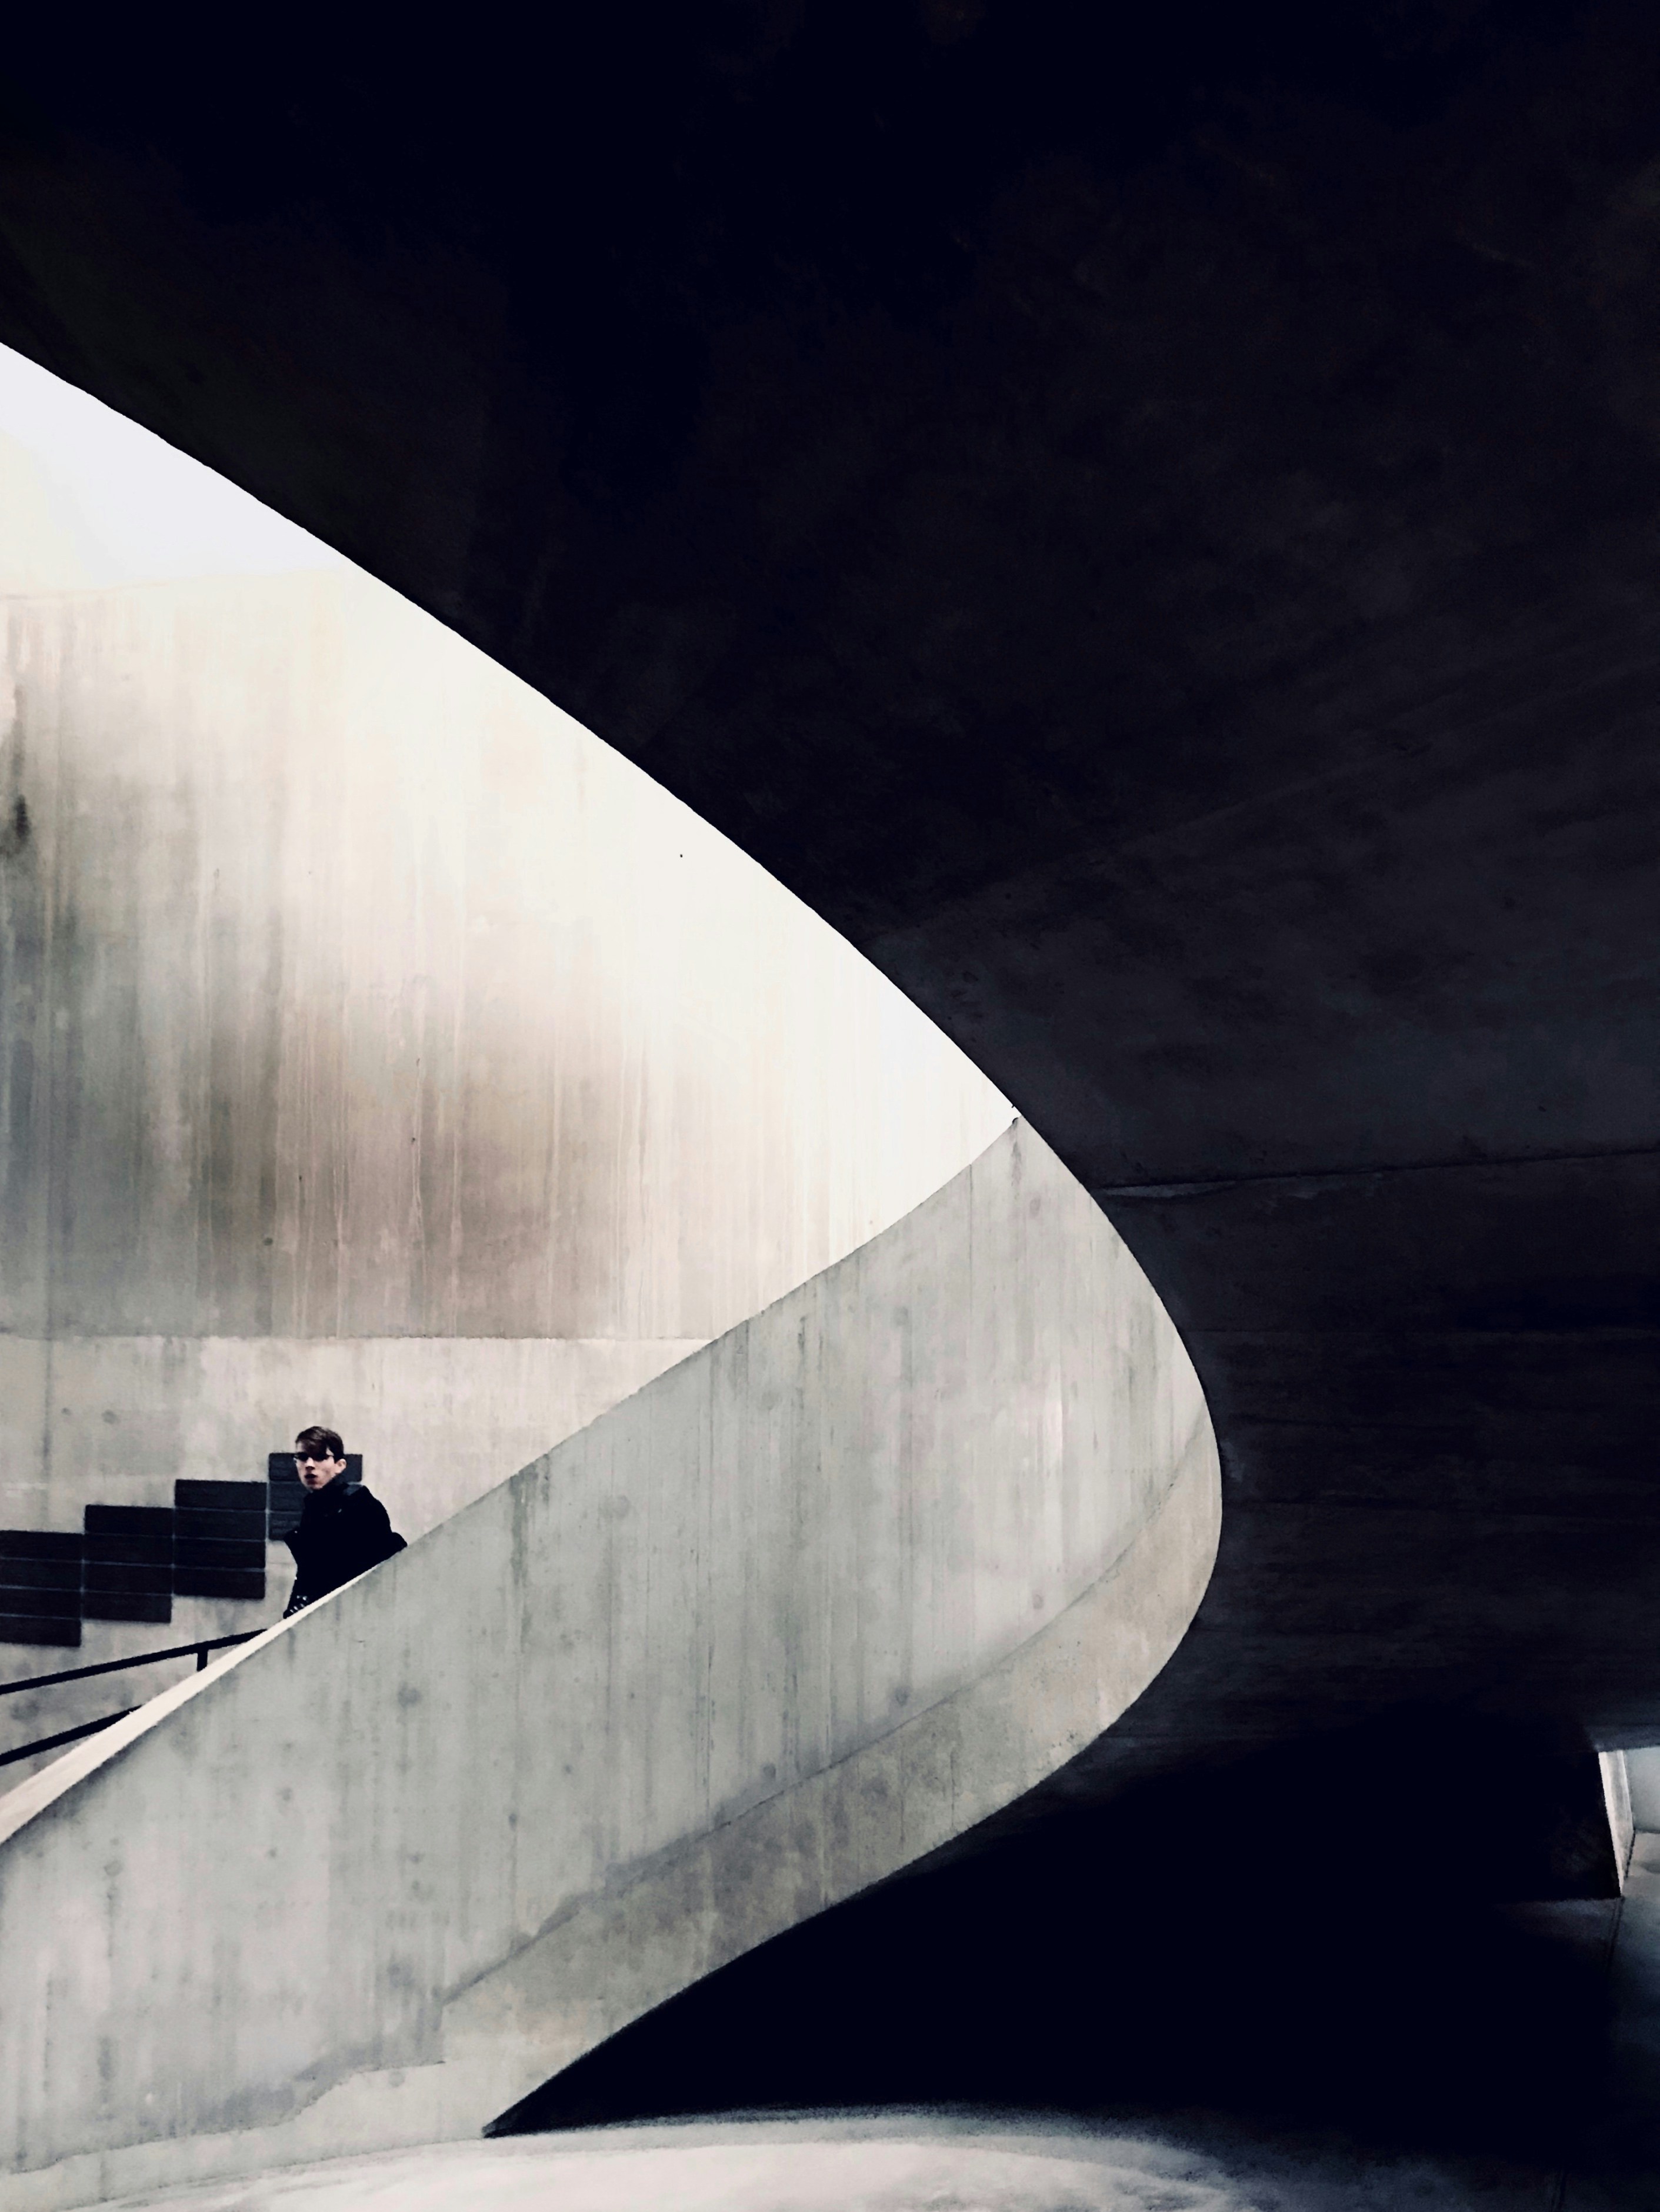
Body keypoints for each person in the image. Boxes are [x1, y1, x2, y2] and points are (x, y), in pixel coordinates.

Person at [282, 1424, 406, 1619]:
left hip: (353, 1617)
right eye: (302, 1457)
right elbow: (310, 1571)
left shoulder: (360, 1505)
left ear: (340, 1465)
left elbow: (373, 1573)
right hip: (324, 1617)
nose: (309, 1464)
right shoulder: (313, 1508)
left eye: (321, 1457)